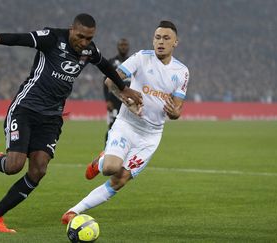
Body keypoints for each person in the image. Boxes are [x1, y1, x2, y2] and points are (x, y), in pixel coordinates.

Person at [0, 13, 142, 233]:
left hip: (52, 117)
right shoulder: (52, 38)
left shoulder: (88, 50)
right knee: (14, 166)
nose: (84, 42)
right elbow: (21, 38)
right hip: (25, 109)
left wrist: (124, 89)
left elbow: (105, 66)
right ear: (71, 29)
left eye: (89, 38)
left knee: (38, 171)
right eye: (81, 36)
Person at [61, 20, 190, 224]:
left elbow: (177, 110)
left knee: (119, 180)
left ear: (176, 42)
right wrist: (125, 99)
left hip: (151, 137)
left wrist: (175, 113)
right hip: (127, 125)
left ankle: (73, 212)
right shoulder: (141, 58)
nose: (161, 42)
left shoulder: (182, 72)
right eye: (157, 37)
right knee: (110, 168)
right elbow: (110, 82)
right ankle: (100, 162)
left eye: (166, 38)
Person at [103, 38, 130, 143]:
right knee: (112, 126)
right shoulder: (111, 62)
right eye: (121, 45)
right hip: (114, 101)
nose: (123, 47)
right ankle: (106, 151)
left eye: (125, 45)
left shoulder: (132, 62)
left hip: (128, 101)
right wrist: (107, 100)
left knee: (128, 127)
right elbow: (105, 83)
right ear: (118, 46)